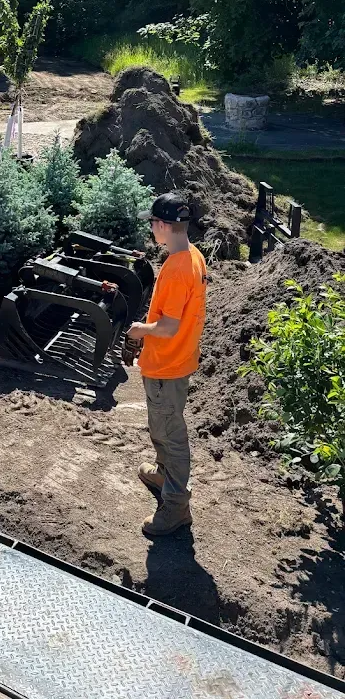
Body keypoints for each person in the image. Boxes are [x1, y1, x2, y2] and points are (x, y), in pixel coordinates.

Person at [126, 193, 207, 537]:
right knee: (162, 426)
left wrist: (139, 330)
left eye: (152, 223)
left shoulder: (176, 269)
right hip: (179, 360)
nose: (151, 228)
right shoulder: (192, 256)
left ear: (163, 225)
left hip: (167, 365)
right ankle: (164, 475)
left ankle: (175, 505)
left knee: (171, 434)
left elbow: (169, 327)